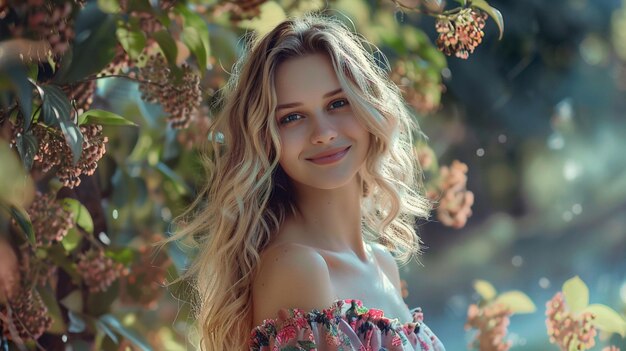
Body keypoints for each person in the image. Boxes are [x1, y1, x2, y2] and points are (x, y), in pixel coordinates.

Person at [172, 14, 445, 350]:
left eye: (338, 103)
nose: (324, 133)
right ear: (266, 139)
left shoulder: (381, 262)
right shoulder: (299, 268)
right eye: (293, 117)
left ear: (369, 107)